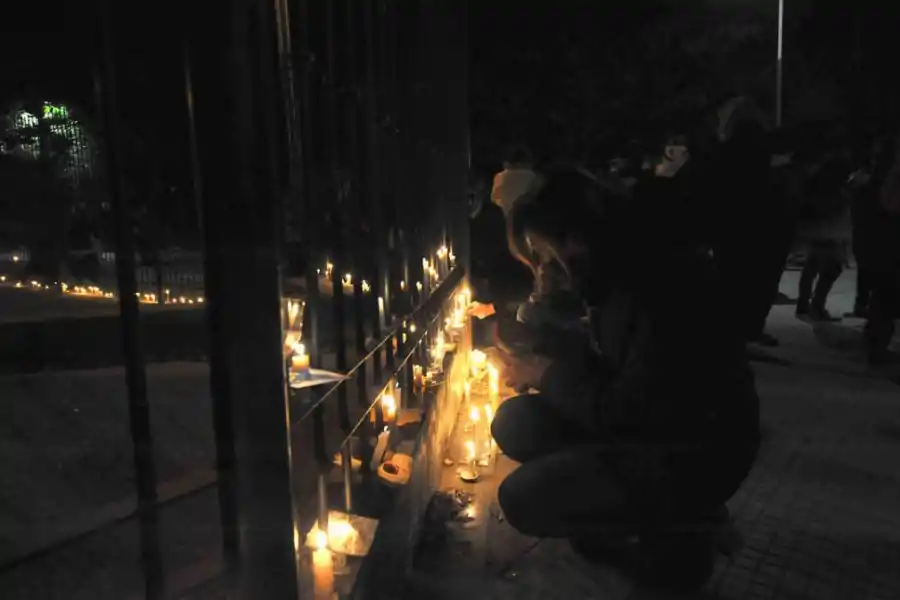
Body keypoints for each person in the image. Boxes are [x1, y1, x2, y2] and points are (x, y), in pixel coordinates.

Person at [491, 168, 760, 592]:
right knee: (516, 421)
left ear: (575, 238)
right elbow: (611, 364)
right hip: (654, 428)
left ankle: (679, 541)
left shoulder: (657, 288)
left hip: (695, 452)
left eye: (545, 255)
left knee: (523, 499)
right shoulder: (615, 272)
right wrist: (542, 338)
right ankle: (628, 513)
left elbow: (627, 409)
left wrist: (545, 374)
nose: (544, 269)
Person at [794, 148, 853, 321]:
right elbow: (835, 207)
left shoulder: (816, 180)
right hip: (828, 230)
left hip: (816, 229)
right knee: (831, 269)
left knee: (812, 267)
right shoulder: (834, 186)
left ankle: (804, 304)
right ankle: (816, 306)